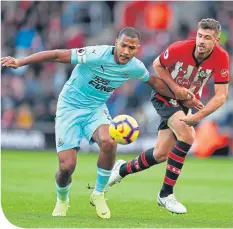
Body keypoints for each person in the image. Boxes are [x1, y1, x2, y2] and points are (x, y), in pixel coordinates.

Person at [1, 27, 194, 219]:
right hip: (69, 107)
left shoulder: (135, 66)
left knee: (110, 141)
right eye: (124, 45)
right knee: (67, 167)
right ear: (116, 42)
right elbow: (57, 55)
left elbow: (155, 83)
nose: (126, 51)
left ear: (138, 49)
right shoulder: (96, 54)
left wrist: (182, 96)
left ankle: (99, 193)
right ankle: (62, 199)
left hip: (95, 108)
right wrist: (21, 62)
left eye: (132, 48)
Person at [108, 18, 230, 214]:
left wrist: (197, 116)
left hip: (185, 103)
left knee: (160, 154)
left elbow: (221, 96)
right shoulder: (180, 48)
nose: (201, 41)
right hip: (164, 95)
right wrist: (176, 88)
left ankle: (121, 170)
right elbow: (157, 64)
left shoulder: (222, 58)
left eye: (207, 38)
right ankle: (166, 194)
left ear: (216, 40)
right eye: (200, 35)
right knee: (188, 135)